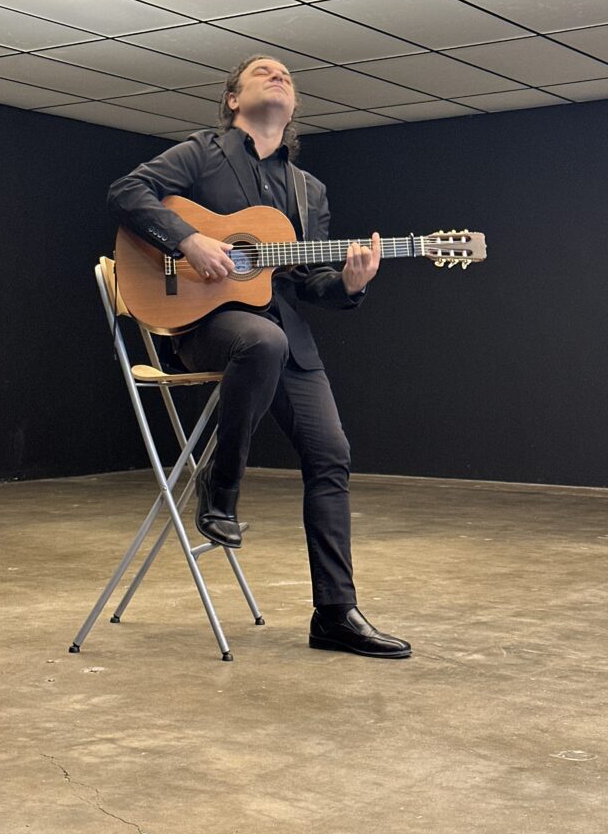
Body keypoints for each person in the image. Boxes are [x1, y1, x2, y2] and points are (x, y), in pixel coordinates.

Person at [107, 55, 411, 659]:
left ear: (293, 108)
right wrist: (189, 240)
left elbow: (307, 283)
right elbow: (126, 192)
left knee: (331, 456)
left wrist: (350, 284)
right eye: (264, 71)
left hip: (284, 335)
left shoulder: (308, 191)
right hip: (204, 324)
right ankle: (221, 489)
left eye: (287, 77)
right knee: (260, 340)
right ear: (232, 99)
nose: (280, 76)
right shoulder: (203, 153)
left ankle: (335, 614)